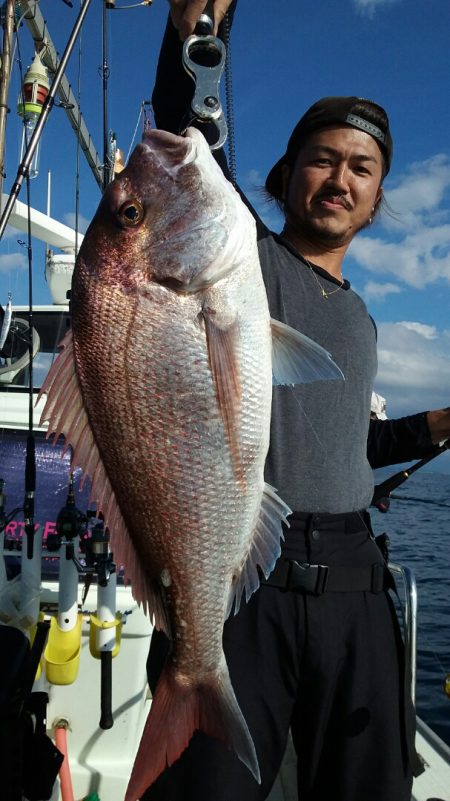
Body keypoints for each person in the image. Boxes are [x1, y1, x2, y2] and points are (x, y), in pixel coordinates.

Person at [142, 3, 450, 800]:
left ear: (380, 194)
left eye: (362, 166)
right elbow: (183, 147)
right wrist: (191, 40)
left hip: (355, 580)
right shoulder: (241, 254)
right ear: (288, 173)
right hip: (248, 575)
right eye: (322, 158)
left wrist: (430, 427)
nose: (340, 178)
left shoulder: (360, 315)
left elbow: (350, 447)